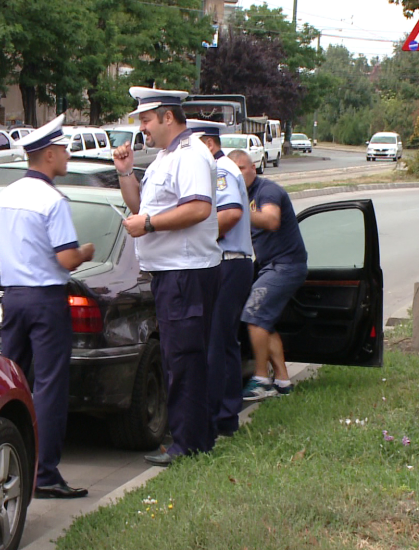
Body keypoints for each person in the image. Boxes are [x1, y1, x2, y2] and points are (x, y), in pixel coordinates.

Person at [112, 87, 221, 466]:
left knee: (184, 359)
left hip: (185, 273)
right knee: (181, 358)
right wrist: (126, 173)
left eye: (145, 120)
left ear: (167, 117)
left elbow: (198, 209)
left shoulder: (190, 157)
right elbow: (141, 205)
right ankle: (197, 439)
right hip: (172, 273)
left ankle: (187, 445)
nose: (141, 128)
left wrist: (150, 224)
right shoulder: (165, 158)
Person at [0, 114, 95, 498]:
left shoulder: (4, 196)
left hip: (13, 297)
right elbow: (66, 260)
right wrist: (85, 251)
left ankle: (5, 461)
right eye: (64, 150)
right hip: (46, 300)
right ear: (49, 155)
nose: (67, 155)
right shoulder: (52, 200)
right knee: (49, 385)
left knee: (12, 382)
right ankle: (46, 473)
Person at [188, 120, 253, 443]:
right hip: (231, 263)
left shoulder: (220, 169)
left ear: (208, 144)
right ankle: (226, 414)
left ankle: (214, 416)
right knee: (224, 342)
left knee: (216, 343)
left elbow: (230, 214)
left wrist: (198, 238)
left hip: (227, 261)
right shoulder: (221, 167)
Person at [229, 149, 307, 401]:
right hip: (266, 265)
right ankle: (283, 381)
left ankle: (261, 379)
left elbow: (272, 220)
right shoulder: (243, 195)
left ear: (253, 167)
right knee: (264, 321)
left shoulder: (267, 191)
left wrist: (238, 213)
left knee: (254, 313)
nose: (239, 174)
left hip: (285, 265)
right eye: (234, 170)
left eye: (242, 168)